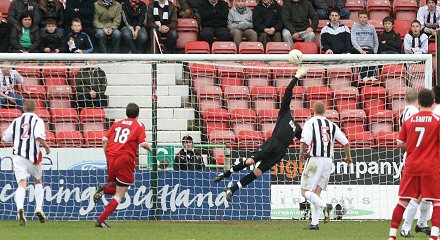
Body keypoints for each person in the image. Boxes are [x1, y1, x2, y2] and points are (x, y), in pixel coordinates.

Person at [213, 66, 309, 201]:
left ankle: (232, 189)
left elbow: (305, 139)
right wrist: (296, 77)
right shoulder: (285, 113)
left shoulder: (298, 128)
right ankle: (226, 174)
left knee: (257, 172)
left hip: (280, 152)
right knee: (250, 161)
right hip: (273, 143)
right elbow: (288, 91)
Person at [387, 89, 440, 240]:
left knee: (402, 201)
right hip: (430, 166)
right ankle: (434, 236)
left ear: (419, 101)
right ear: (433, 101)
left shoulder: (409, 121)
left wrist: (413, 146)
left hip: (411, 165)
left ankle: (392, 236)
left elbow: (400, 143)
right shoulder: (437, 121)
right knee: (437, 202)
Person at [93, 103, 153, 228]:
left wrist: (107, 157)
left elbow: (104, 140)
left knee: (118, 187)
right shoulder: (139, 125)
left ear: (126, 113)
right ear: (138, 114)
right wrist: (152, 149)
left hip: (112, 159)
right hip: (125, 160)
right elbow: (143, 144)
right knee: (120, 194)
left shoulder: (117, 123)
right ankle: (101, 220)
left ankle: (104, 189)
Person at [299, 101, 352, 230]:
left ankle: (324, 205)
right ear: (325, 111)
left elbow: (305, 141)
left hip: (315, 160)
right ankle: (315, 223)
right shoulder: (332, 125)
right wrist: (348, 157)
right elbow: (346, 143)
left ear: (314, 110)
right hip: (328, 161)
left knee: (304, 191)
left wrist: (301, 155)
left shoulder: (310, 122)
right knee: (317, 192)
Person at [1, 99, 51, 226]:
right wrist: (46, 146)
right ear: (35, 108)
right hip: (33, 156)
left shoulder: (17, 121)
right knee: (38, 181)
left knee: (21, 183)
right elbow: (38, 136)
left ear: (24, 108)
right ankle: (39, 208)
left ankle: (19, 208)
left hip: (18, 156)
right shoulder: (38, 120)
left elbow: (5, 137)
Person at [397, 89, 432, 237]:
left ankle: (421, 223)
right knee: (418, 194)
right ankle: (406, 227)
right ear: (418, 99)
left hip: (415, 157)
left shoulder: (403, 113)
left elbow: (402, 139)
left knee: (426, 193)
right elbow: (413, 138)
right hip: (417, 158)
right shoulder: (414, 114)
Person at [350, 10, 378, 80]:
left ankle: (371, 75)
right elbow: (353, 41)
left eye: (364, 17)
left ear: (367, 18)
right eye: (361, 17)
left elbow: (376, 41)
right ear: (358, 18)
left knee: (371, 54)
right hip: (357, 49)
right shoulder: (354, 27)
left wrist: (375, 51)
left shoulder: (371, 27)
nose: (362, 19)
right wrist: (360, 50)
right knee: (365, 55)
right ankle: (363, 76)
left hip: (369, 49)